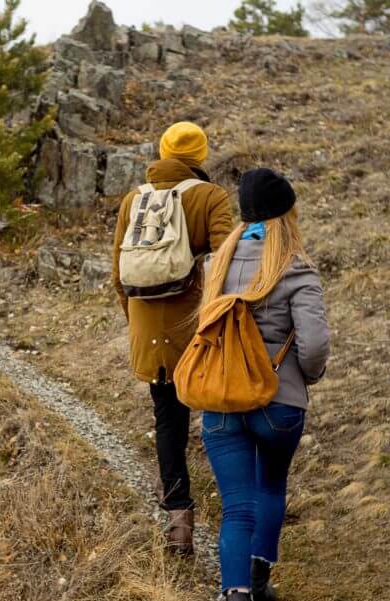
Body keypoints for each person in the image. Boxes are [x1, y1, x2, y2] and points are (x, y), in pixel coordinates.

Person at [200, 168, 329, 601]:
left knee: (236, 509)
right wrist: (305, 378)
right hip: (279, 405)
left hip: (221, 403)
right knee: (271, 487)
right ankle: (259, 582)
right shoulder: (296, 268)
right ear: (285, 215)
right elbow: (315, 346)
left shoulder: (217, 264)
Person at [112, 122, 233, 555]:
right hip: (196, 326)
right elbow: (227, 264)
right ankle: (236, 511)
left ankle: (179, 525)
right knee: (221, 405)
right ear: (200, 156)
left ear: (162, 151)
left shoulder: (133, 200)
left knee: (168, 418)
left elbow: (117, 276)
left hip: (147, 327)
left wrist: (138, 322)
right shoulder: (210, 196)